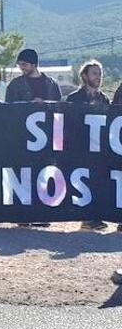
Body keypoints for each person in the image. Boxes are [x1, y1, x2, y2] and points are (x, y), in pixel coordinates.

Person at [5, 48, 60, 228]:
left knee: (44, 173)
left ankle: (43, 213)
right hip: (23, 137)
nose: (22, 67)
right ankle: (24, 214)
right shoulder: (15, 85)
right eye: (20, 64)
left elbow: (60, 109)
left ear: (34, 64)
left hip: (47, 137)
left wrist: (45, 105)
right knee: (24, 174)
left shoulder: (51, 84)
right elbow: (9, 109)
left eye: (25, 64)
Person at [66, 60, 113, 231]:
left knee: (99, 181)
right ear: (85, 76)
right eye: (94, 73)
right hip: (81, 148)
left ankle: (96, 216)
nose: (98, 77)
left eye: (100, 73)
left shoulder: (104, 99)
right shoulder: (74, 98)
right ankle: (86, 217)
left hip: (99, 148)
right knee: (83, 181)